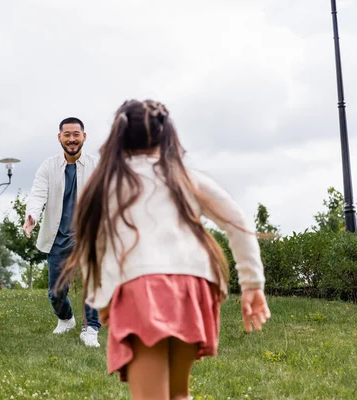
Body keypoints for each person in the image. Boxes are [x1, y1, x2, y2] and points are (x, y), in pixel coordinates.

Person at [58, 100, 271, 399]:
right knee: (178, 393)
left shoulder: (108, 183)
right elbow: (237, 221)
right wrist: (252, 285)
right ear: (167, 135)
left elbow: (97, 246)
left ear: (118, 137)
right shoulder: (185, 177)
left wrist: (102, 300)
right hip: (193, 288)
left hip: (141, 288)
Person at [23, 117, 102, 347]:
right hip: (59, 238)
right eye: (67, 134)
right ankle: (66, 319)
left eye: (76, 134)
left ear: (84, 137)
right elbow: (37, 195)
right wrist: (32, 216)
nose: (72, 139)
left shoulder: (96, 166)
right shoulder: (48, 167)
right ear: (60, 137)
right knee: (55, 293)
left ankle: (91, 329)